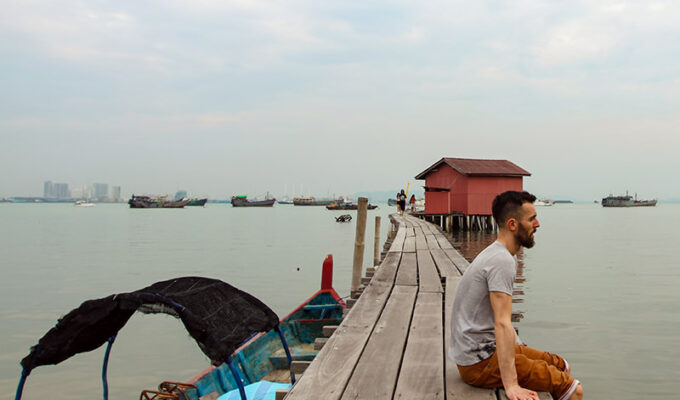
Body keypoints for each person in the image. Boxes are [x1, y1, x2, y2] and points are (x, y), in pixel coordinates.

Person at [450, 191, 583, 400]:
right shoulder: (502, 261)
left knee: (560, 364)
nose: (537, 224)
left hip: (480, 353)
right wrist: (511, 385)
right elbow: (502, 324)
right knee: (574, 390)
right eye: (531, 219)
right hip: (479, 361)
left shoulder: (497, 254)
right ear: (512, 224)